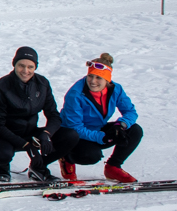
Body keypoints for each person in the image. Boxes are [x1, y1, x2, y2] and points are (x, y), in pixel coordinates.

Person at [57, 54, 143, 183]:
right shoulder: (75, 94)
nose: (92, 81)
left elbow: (130, 112)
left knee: (135, 130)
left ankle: (113, 167)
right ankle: (66, 157)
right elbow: (75, 126)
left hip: (96, 129)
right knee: (91, 156)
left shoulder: (116, 89)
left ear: (107, 80)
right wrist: (101, 137)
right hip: (73, 135)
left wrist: (120, 126)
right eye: (90, 76)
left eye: (98, 78)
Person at [0, 47, 64, 183]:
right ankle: (1, 166)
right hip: (7, 134)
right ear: (14, 64)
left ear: (35, 67)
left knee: (69, 136)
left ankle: (39, 167)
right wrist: (26, 145)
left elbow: (53, 115)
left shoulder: (42, 84)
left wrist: (46, 134)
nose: (25, 71)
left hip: (31, 131)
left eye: (30, 67)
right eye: (21, 65)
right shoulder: (2, 86)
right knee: (4, 153)